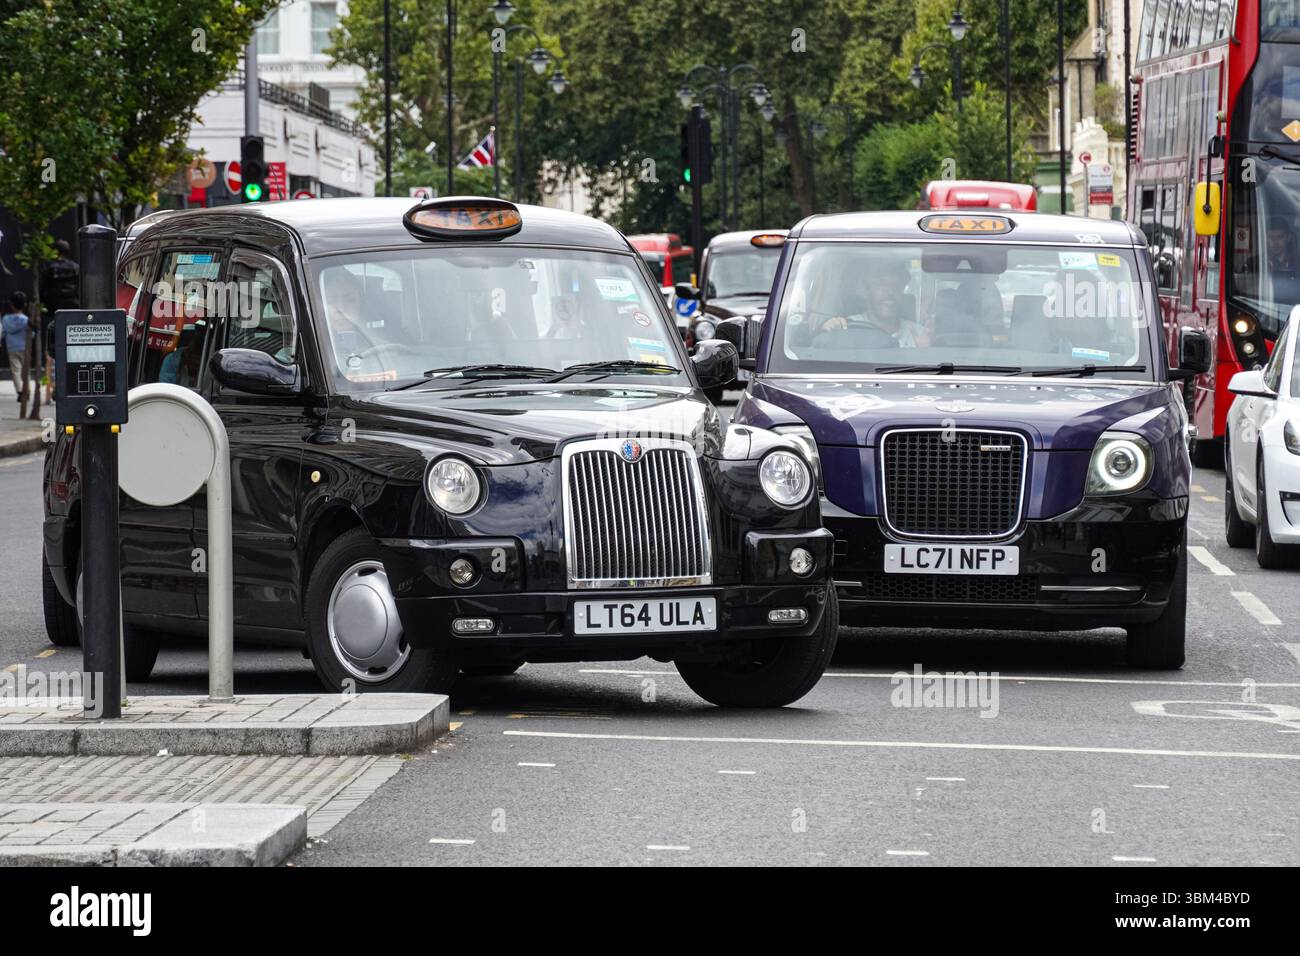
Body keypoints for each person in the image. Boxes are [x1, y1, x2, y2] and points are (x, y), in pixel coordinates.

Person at [816, 257, 925, 347]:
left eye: (897, 285)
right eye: (882, 284)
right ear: (867, 290)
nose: (890, 292)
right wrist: (826, 330)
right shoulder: (846, 327)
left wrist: (925, 352)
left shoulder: (918, 333)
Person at [41, 240, 79, 402]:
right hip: (72, 313)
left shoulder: (48, 268)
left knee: (52, 351)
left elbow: (42, 291)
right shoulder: (75, 268)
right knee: (73, 350)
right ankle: (70, 386)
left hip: (53, 314)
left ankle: (52, 390)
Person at [2, 291, 31, 415]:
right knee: (26, 372)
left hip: (12, 348)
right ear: (24, 305)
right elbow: (32, 334)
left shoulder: (6, 319)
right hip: (25, 347)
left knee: (16, 371)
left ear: (11, 305)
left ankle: (20, 390)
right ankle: (27, 392)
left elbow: (3, 332)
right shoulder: (26, 320)